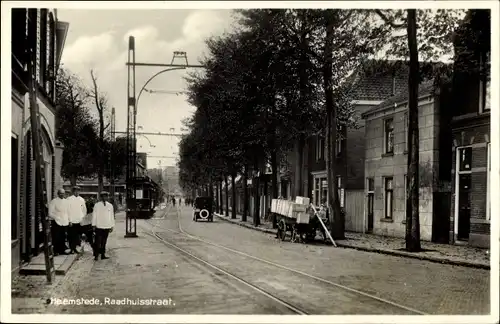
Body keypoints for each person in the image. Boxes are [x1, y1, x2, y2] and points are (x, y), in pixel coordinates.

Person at [92, 191, 115, 261]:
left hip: (107, 226)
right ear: (101, 197)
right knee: (98, 241)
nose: (105, 198)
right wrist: (93, 225)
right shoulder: (97, 205)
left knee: (104, 241)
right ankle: (96, 255)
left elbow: (111, 216)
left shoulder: (110, 205)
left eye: (106, 196)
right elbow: (94, 216)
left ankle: (103, 254)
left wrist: (112, 225)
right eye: (103, 196)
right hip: (99, 226)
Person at [48, 188, 70, 255]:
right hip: (56, 222)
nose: (62, 195)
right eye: (60, 193)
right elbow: (50, 213)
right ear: (58, 194)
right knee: (56, 237)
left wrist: (69, 220)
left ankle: (62, 250)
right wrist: (57, 218)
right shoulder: (54, 201)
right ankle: (55, 251)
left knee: (63, 237)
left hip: (64, 222)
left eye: (63, 193)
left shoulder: (66, 202)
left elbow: (68, 212)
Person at [67, 186, 87, 254]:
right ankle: (71, 249)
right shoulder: (69, 199)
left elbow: (84, 210)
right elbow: (67, 211)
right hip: (72, 220)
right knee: (71, 235)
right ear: (73, 191)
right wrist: (69, 220)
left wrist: (83, 218)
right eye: (75, 191)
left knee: (77, 235)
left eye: (78, 191)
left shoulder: (81, 199)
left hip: (79, 220)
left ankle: (75, 248)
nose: (77, 192)